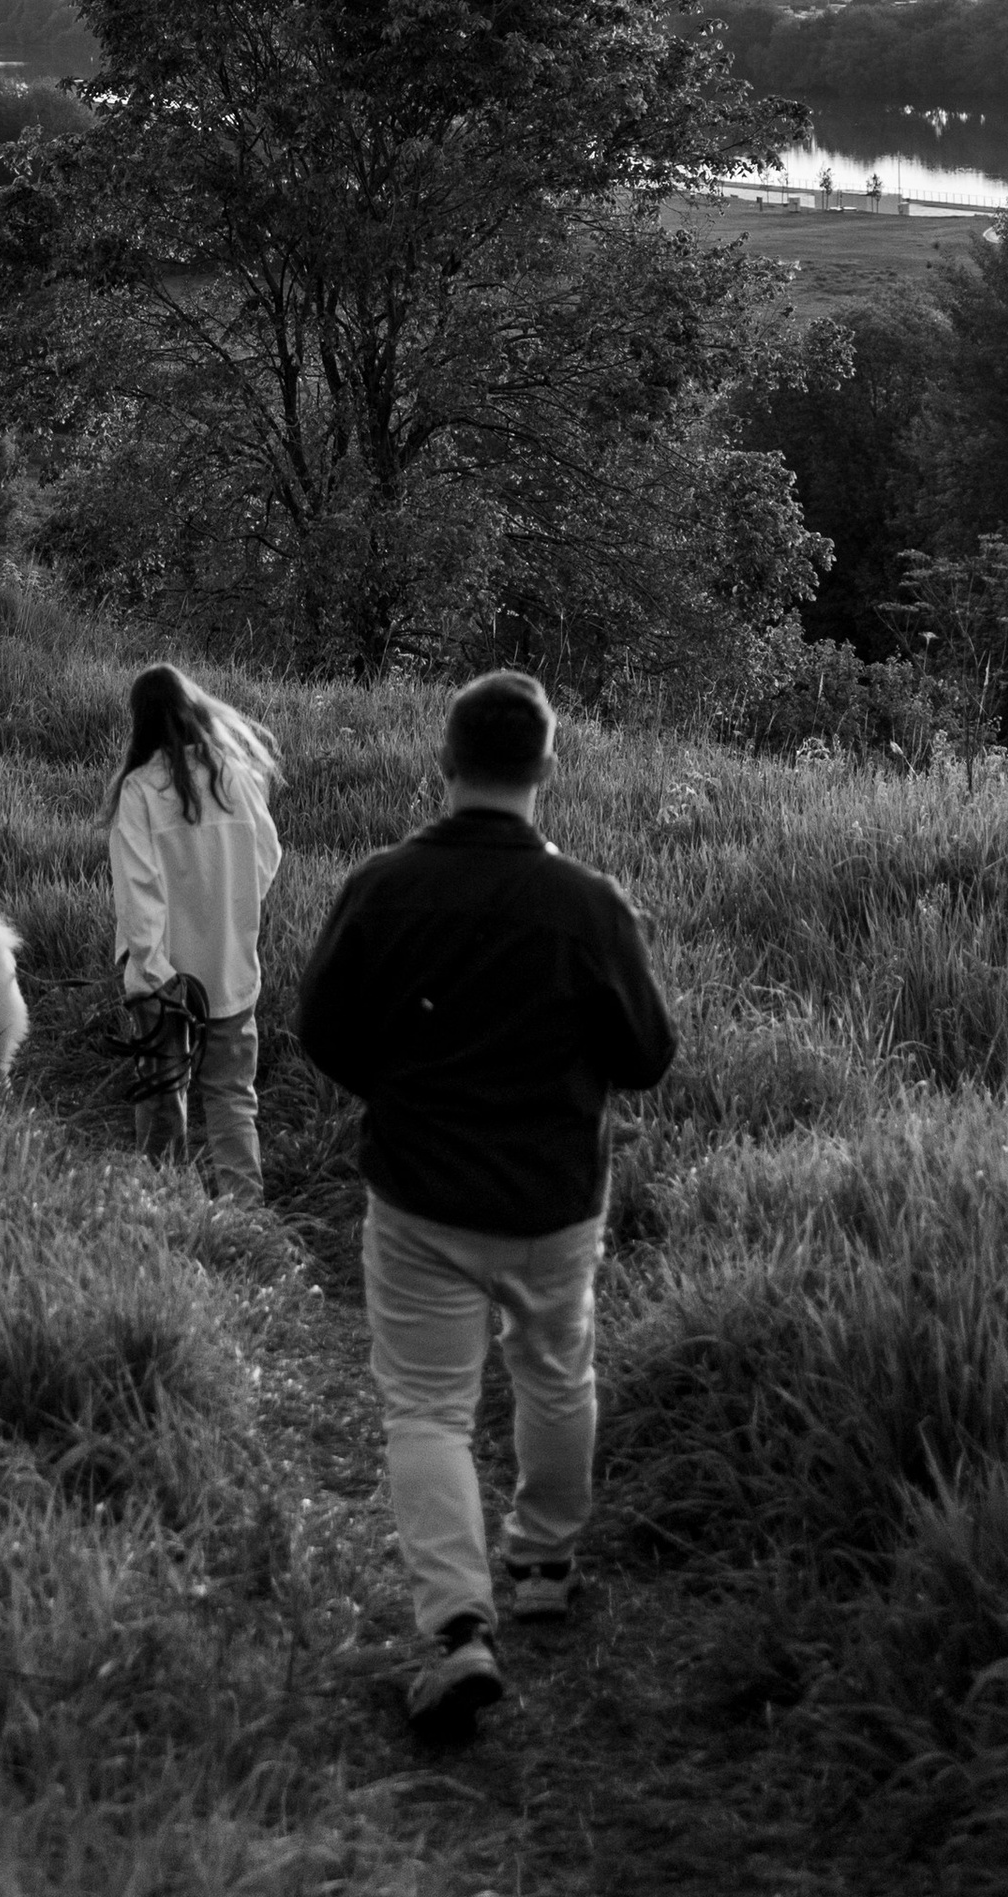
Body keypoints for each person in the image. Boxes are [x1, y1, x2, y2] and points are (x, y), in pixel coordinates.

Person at [296, 668, 676, 1742]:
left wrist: (404, 1093)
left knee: (425, 1408)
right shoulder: (589, 906)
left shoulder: (382, 885)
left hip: (419, 1194)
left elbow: (322, 1029)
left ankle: (458, 1628)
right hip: (555, 1199)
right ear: (546, 768)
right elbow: (645, 1057)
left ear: (445, 763)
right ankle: (546, 1564)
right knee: (557, 1371)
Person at [105, 663, 283, 1199]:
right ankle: (245, 1213)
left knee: (163, 1094)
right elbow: (268, 856)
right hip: (230, 969)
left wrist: (156, 971)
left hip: (162, 980)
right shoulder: (237, 778)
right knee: (231, 1094)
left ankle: (163, 1206)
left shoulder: (139, 791)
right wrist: (234, 912)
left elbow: (140, 894)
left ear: (142, 723)